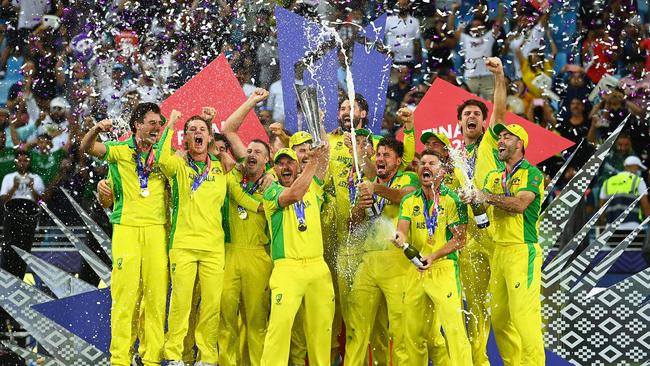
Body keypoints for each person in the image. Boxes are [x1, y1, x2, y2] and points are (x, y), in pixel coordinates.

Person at [156, 112, 260, 366]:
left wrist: (265, 206)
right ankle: (173, 355)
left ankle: (207, 357)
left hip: (213, 249)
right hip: (183, 246)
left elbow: (241, 183)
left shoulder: (221, 167)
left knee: (211, 306)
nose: (197, 132)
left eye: (202, 129)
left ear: (209, 136)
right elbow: (160, 159)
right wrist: (170, 124)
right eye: (191, 130)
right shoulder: (179, 165)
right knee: (181, 304)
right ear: (186, 139)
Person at [79, 103, 169, 366]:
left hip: (156, 230)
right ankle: (120, 359)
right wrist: (96, 128)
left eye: (159, 123)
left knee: (155, 298)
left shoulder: (164, 155)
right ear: (136, 125)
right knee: (125, 297)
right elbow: (87, 149)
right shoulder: (119, 151)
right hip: (127, 229)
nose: (156, 128)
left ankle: (151, 359)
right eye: (151, 123)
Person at [468, 123, 546, 365]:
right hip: (498, 252)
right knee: (500, 319)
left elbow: (519, 205)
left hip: (522, 251)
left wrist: (487, 197)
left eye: (507, 137)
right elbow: (482, 204)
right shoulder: (494, 176)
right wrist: (471, 199)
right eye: (499, 137)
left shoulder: (532, 174)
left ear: (520, 143)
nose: (500, 141)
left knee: (524, 317)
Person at [393, 149, 472, 365]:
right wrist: (399, 238)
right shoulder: (409, 200)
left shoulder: (452, 199)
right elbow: (402, 229)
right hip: (416, 269)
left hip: (443, 268)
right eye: (422, 163)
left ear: (443, 171)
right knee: (413, 334)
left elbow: (460, 239)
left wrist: (434, 255)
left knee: (454, 331)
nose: (425, 166)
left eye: (432, 163)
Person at [345, 137, 419, 366]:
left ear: (398, 161)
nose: (380, 159)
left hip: (397, 262)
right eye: (378, 154)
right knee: (358, 328)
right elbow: (352, 224)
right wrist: (360, 207)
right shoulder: (368, 183)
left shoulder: (410, 177)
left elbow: (402, 195)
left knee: (399, 329)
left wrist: (375, 188)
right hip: (368, 261)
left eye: (386, 155)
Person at [260, 144, 334, 366]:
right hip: (288, 269)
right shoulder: (271, 191)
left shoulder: (314, 186)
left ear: (296, 166)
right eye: (280, 163)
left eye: (289, 162)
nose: (285, 167)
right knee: (279, 330)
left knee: (322, 331)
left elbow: (325, 157)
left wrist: (319, 150)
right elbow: (294, 194)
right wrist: (311, 162)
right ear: (274, 169)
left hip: (317, 267)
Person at [455, 56, 506, 366]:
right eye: (466, 114)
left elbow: (499, 107)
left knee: (501, 306)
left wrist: (499, 75)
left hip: (496, 232)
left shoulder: (489, 142)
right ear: (460, 122)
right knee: (474, 308)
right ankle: (479, 362)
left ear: (484, 123)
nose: (471, 117)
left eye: (476, 113)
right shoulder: (455, 155)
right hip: (469, 238)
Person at [219, 89, 275, 366]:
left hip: (258, 257)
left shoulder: (273, 183)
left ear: (268, 161)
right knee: (225, 321)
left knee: (257, 323)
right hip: (229, 255)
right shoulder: (236, 176)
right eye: (248, 150)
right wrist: (251, 101)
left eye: (258, 152)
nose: (250, 154)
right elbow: (228, 129)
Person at [599, 156, 650, 230]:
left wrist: (604, 225)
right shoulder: (638, 181)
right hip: (632, 227)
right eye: (638, 168)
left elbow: (601, 207)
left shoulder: (607, 182)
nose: (638, 171)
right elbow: (645, 206)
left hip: (610, 228)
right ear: (632, 166)